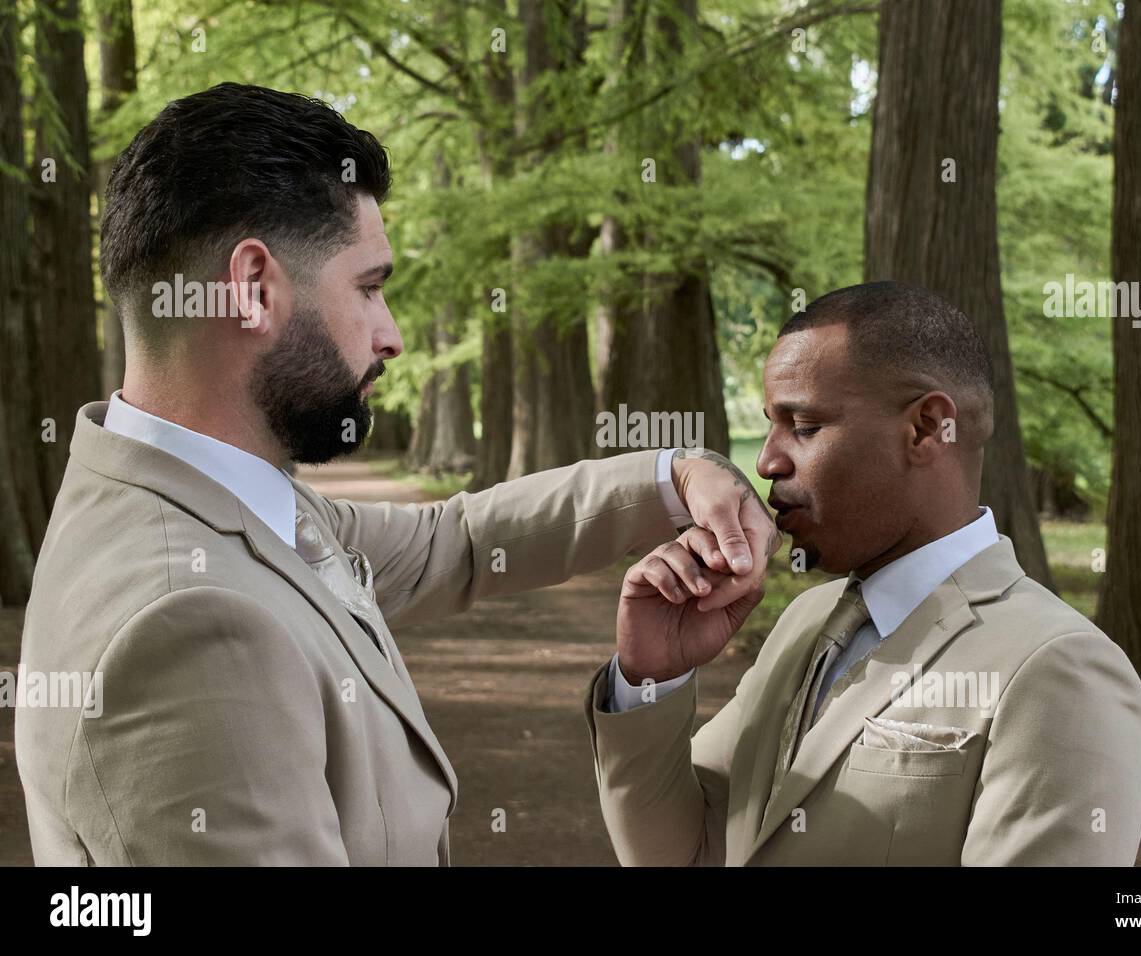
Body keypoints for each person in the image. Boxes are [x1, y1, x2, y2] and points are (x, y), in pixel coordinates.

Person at [15, 83, 774, 866]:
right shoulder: (192, 624)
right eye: (369, 288)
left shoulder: (198, 497)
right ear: (253, 288)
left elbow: (458, 540)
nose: (393, 335)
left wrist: (674, 475)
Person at [584, 281, 1141, 865]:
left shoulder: (1058, 669)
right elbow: (684, 854)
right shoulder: (808, 619)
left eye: (803, 426)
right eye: (771, 425)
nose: (766, 460)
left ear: (927, 428)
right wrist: (650, 680)